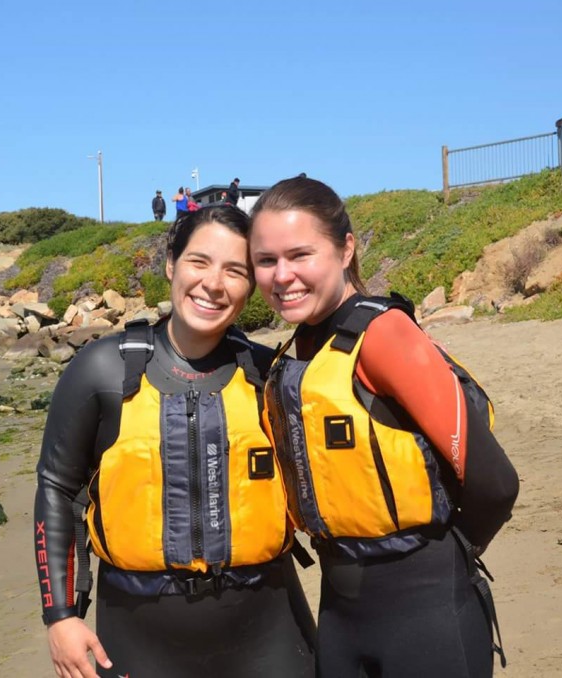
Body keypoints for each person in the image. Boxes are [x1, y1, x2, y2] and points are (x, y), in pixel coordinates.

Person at [249, 176, 519, 678]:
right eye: (266, 260)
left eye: (300, 254)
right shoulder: (299, 350)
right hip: (340, 614)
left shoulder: (384, 334)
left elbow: (496, 484)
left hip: (428, 615)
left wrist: (442, 563)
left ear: (345, 248)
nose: (282, 275)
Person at [34, 205, 316, 678]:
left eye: (236, 270)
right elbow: (57, 490)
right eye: (199, 262)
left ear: (253, 286)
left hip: (267, 627)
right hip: (139, 634)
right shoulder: (103, 370)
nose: (213, 283)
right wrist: (61, 616)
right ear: (171, 264)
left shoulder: (273, 376)